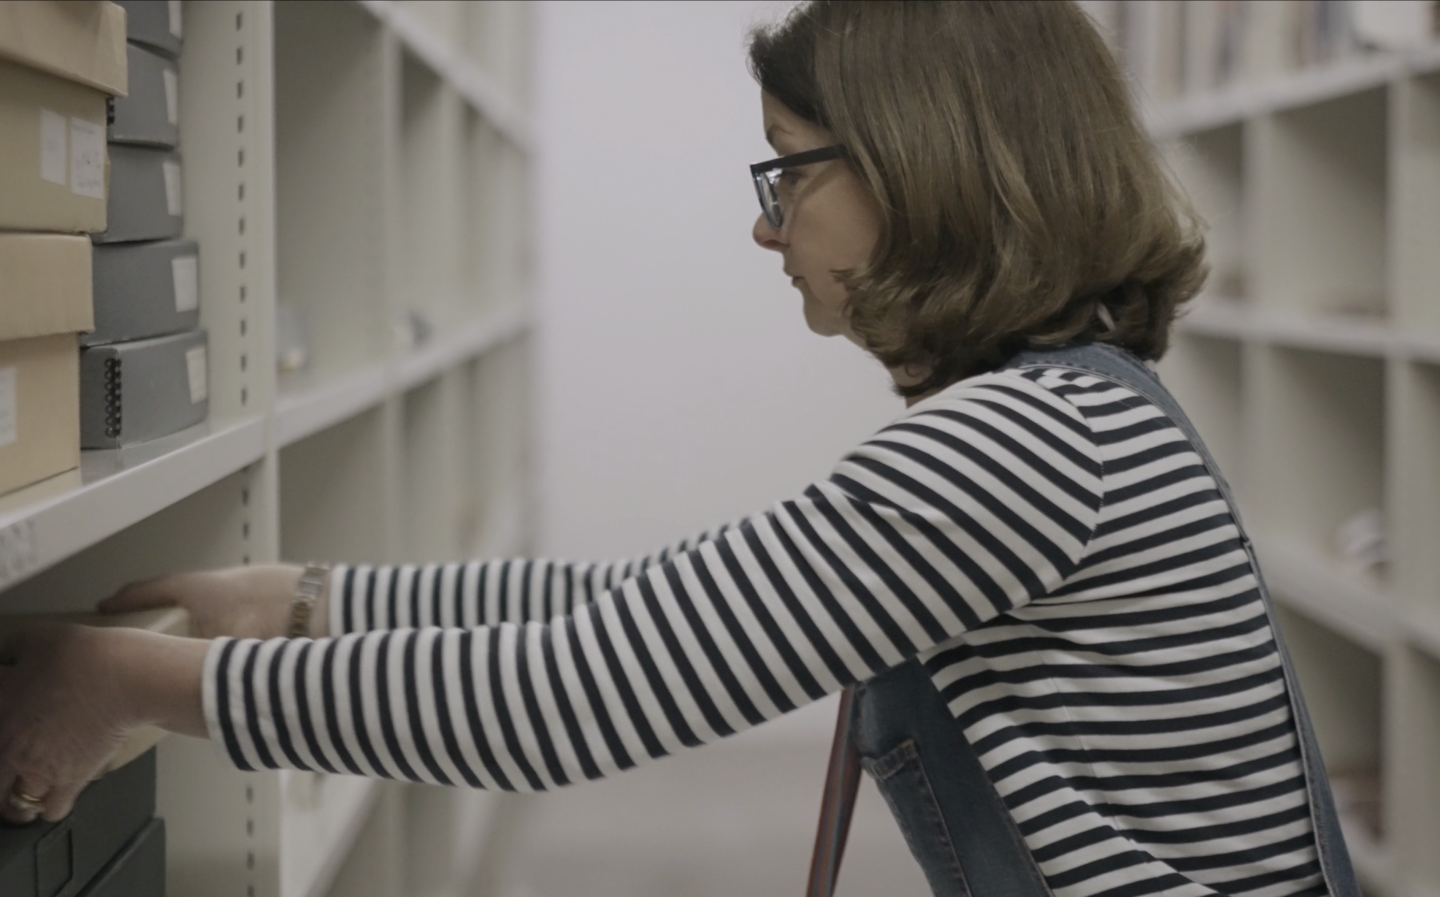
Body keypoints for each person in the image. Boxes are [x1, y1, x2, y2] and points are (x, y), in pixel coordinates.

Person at [0, 3, 1361, 897]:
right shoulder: (1074, 410)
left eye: (793, 170)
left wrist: (126, 679)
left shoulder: (1014, 448)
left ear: (928, 167)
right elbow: (657, 602)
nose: (769, 228)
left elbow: (561, 700)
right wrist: (303, 603)